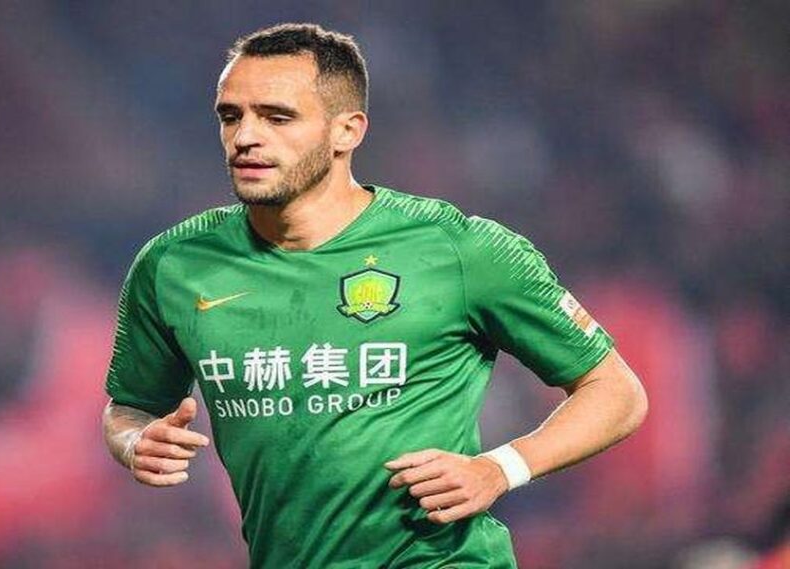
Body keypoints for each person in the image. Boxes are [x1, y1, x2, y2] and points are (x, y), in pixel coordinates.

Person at [102, 22, 648, 569]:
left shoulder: (459, 249)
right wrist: (134, 442)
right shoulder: (173, 266)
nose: (245, 136)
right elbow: (128, 409)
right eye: (230, 116)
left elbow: (616, 392)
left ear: (347, 131)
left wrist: (500, 468)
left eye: (277, 117)